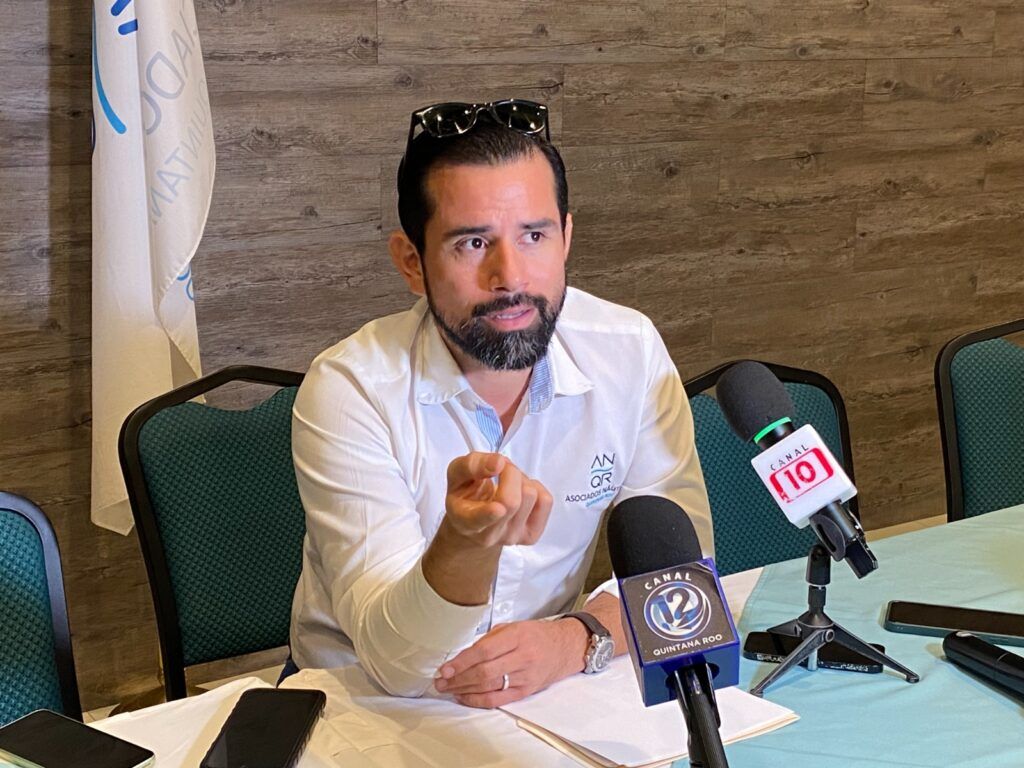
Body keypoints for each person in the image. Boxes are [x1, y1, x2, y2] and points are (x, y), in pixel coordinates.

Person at [288, 99, 711, 708]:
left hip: (548, 689)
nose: (510, 277)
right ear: (412, 262)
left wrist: (576, 638)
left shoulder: (629, 352)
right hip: (363, 702)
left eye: (534, 236)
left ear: (566, 238)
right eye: (472, 243)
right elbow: (396, 665)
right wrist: (464, 543)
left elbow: (682, 577)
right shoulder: (351, 387)